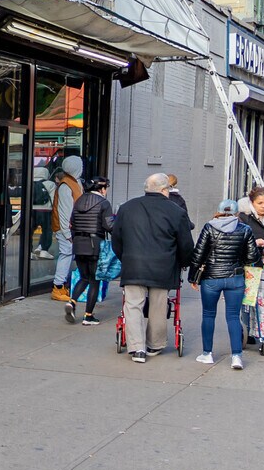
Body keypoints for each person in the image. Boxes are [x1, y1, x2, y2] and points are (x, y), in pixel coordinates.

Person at [111, 173, 194, 362]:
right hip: (163, 266)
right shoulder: (176, 211)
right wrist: (184, 262)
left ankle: (136, 348)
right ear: (165, 190)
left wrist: (125, 257)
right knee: (158, 305)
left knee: (132, 305)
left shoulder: (127, 208)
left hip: (133, 264)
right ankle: (154, 344)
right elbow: (185, 244)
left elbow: (116, 239)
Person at [191, 198, 260, 370]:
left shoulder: (209, 227)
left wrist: (193, 277)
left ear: (218, 211)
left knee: (208, 315)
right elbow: (253, 256)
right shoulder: (245, 229)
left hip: (211, 278)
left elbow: (198, 254)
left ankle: (207, 354)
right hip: (235, 278)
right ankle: (236, 357)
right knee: (233, 316)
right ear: (237, 213)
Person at [68, 173, 115, 324]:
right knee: (95, 280)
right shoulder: (104, 203)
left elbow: (72, 224)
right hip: (95, 245)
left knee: (84, 277)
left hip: (78, 244)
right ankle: (88, 316)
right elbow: (109, 226)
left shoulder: (79, 200)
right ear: (102, 188)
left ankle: (72, 302)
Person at [49, 155, 86, 301]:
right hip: (66, 229)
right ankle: (58, 287)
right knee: (66, 254)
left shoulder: (74, 182)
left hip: (69, 228)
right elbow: (64, 212)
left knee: (67, 255)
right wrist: (67, 233)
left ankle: (60, 286)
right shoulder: (66, 186)